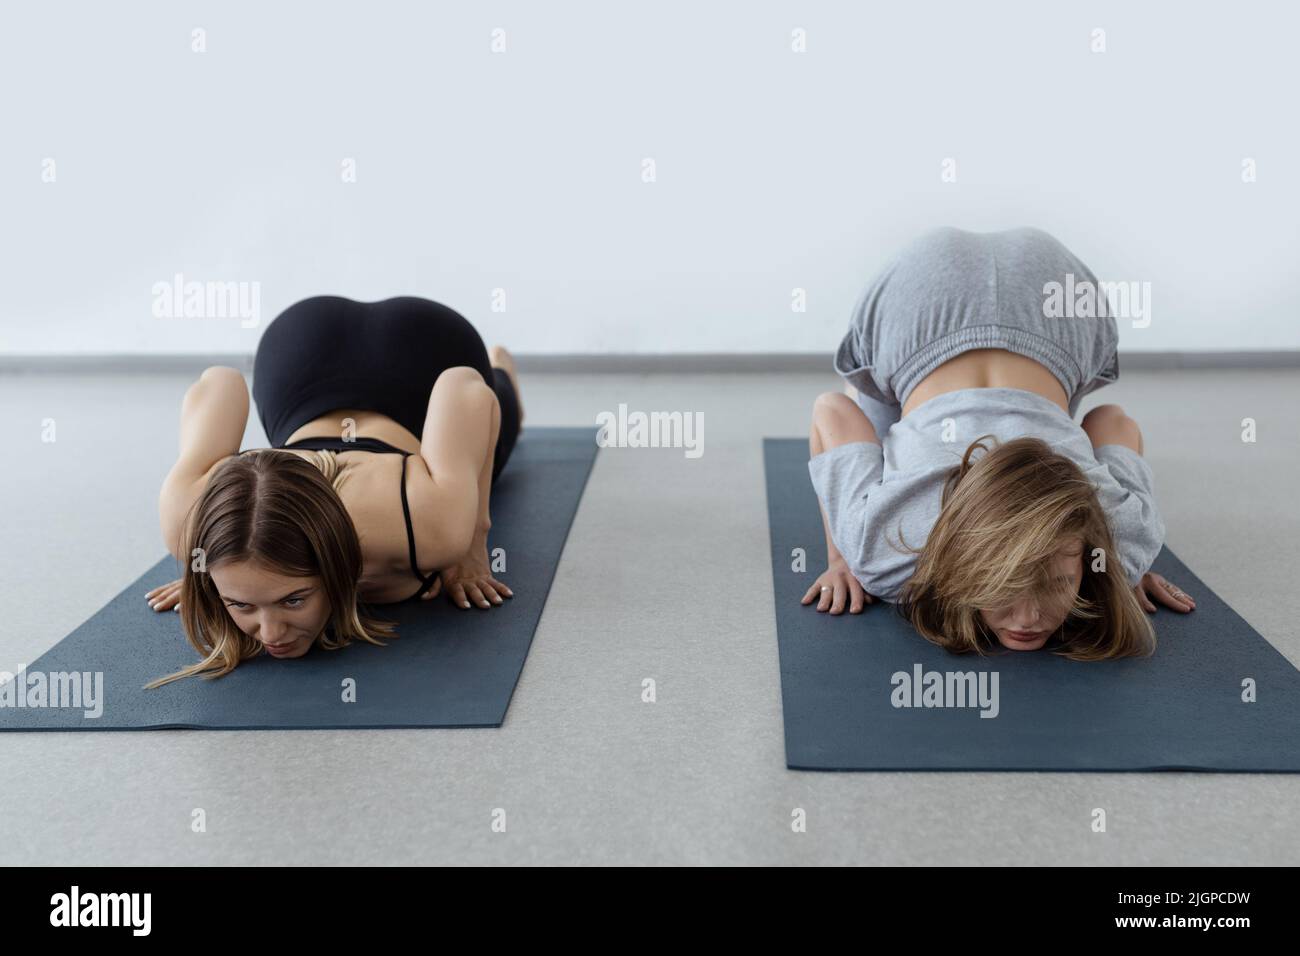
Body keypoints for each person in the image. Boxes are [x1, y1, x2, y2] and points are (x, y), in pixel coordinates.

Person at [802, 227, 1194, 661]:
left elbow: (830, 410)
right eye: (1004, 585)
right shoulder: (885, 546)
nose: (1028, 620)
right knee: (875, 420)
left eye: (1060, 583)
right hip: (1009, 299)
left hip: (965, 291)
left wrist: (1114, 572)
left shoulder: (884, 553)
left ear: (1085, 560)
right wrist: (842, 558)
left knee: (874, 434)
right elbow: (830, 407)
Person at [145, 295, 524, 685]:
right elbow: (219, 380)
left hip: (422, 351)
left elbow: (465, 386)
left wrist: (472, 544)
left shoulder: (430, 526)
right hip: (302, 347)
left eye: (293, 600)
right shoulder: (191, 529)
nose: (271, 633)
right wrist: (205, 572)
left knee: (498, 420)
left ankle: (502, 365)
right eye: (241, 604)